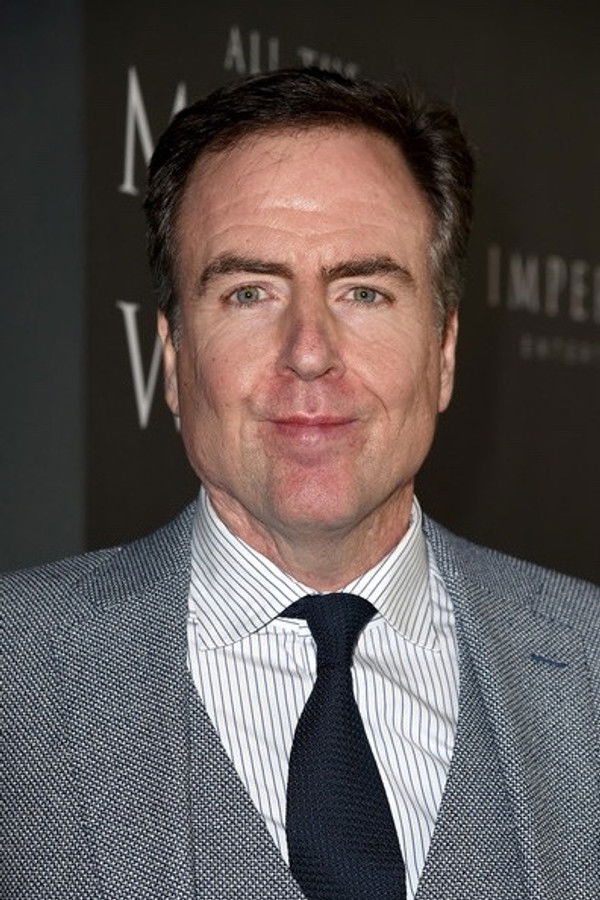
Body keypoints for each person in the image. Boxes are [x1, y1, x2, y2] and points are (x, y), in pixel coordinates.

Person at [3, 68, 599, 900]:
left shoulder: (587, 663)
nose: (310, 352)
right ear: (174, 359)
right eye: (250, 293)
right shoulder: (18, 670)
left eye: (364, 292)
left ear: (444, 352)